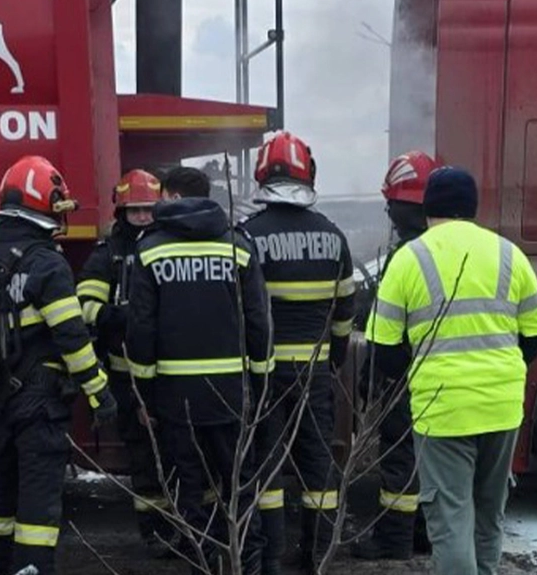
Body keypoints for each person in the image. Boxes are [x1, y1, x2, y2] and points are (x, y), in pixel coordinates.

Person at [365, 167, 537, 575]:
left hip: (442, 409)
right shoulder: (508, 253)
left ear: (427, 207)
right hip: (502, 405)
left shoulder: (409, 258)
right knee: (489, 513)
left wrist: (419, 371)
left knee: (451, 520)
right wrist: (504, 365)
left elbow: (382, 347)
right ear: (472, 207)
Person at [0, 155, 118, 575]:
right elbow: (72, 338)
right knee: (38, 507)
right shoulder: (47, 264)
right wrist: (100, 393)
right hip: (39, 402)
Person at [126, 166, 270, 575]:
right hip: (231, 393)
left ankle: (202, 567)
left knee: (191, 491)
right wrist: (260, 383)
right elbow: (258, 321)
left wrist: (144, 394)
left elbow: (141, 328)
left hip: (176, 397)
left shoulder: (150, 250)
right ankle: (248, 567)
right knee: (240, 488)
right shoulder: (237, 246)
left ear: (171, 196)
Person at [240, 131, 355, 575]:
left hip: (265, 374)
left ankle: (270, 556)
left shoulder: (248, 236)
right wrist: (334, 358)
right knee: (318, 461)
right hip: (314, 371)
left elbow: (241, 313)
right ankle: (318, 554)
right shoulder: (334, 237)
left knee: (266, 463)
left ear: (262, 173)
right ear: (309, 174)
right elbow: (344, 313)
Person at [75, 168, 172, 547]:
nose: (143, 217)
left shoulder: (169, 247)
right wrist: (125, 316)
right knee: (143, 457)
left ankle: (186, 528)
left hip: (170, 372)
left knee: (179, 453)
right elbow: (85, 306)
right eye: (136, 211)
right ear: (122, 213)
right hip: (126, 375)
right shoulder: (108, 255)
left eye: (149, 210)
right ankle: (154, 533)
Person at [353, 150, 439, 561]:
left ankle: (394, 541)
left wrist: (373, 377)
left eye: (392, 203)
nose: (388, 212)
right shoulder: (454, 250)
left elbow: (384, 326)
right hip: (447, 375)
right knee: (434, 459)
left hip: (406, 374)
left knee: (400, 457)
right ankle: (425, 533)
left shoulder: (405, 256)